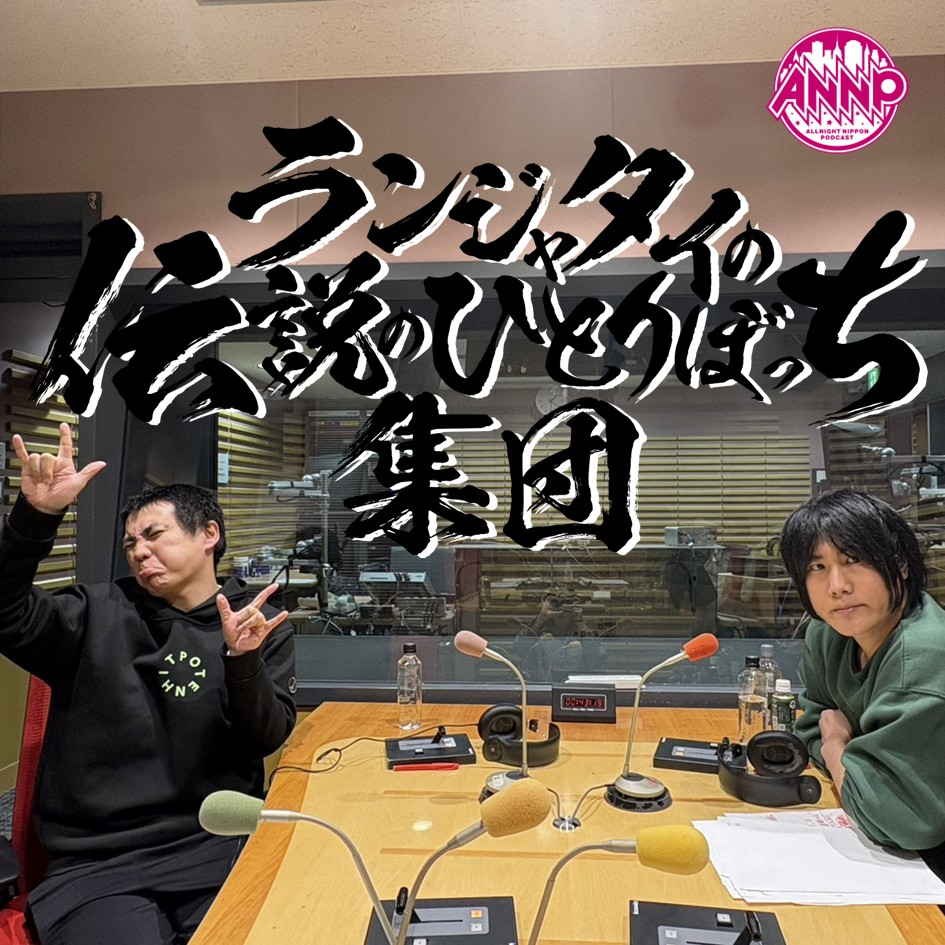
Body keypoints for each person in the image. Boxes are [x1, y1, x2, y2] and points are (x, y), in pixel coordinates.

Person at [0, 424, 297, 944]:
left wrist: (241, 659)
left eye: (154, 535)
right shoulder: (93, 614)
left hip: (217, 848)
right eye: (131, 543)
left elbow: (263, 738)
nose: (139, 552)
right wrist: (34, 519)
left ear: (209, 534)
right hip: (99, 864)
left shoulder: (255, 625)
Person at [781, 488, 945, 880]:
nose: (837, 586)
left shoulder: (922, 658)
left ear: (900, 565)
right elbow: (810, 727)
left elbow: (900, 820)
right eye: (817, 567)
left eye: (853, 559)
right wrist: (855, 770)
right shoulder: (830, 633)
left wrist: (837, 744)